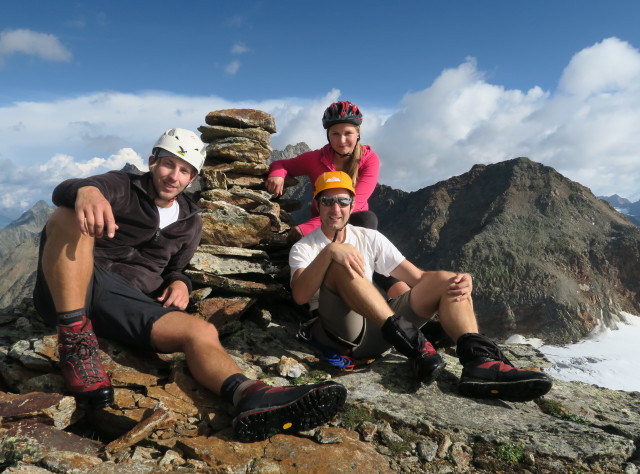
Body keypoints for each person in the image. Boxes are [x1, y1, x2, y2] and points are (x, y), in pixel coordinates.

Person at [33, 128, 347, 442]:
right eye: (169, 164)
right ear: (153, 161)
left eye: (185, 170)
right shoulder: (122, 185)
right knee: (66, 215)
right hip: (71, 287)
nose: (174, 176)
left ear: (192, 177)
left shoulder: (189, 220)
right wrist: (85, 190)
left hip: (124, 303)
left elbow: (176, 268)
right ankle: (76, 344)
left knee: (201, 331)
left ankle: (251, 395)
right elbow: (64, 191)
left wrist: (180, 282)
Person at [288, 171, 553, 402]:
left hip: (381, 333)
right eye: (328, 201)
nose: (336, 208)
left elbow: (418, 277)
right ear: (317, 205)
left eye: (343, 201)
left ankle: (480, 362)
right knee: (338, 264)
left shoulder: (368, 237)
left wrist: (460, 280)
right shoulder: (304, 248)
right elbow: (300, 296)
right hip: (340, 336)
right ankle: (413, 344)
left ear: (352, 204)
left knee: (446, 281)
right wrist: (331, 252)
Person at [267, 100, 407, 297]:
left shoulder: (369, 160)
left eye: (348, 133)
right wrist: (277, 174)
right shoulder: (315, 159)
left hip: (355, 224)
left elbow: (355, 204)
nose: (342, 140)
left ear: (358, 133)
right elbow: (282, 163)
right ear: (327, 135)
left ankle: (402, 302)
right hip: (323, 226)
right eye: (335, 134)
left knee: (367, 220)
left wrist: (304, 228)